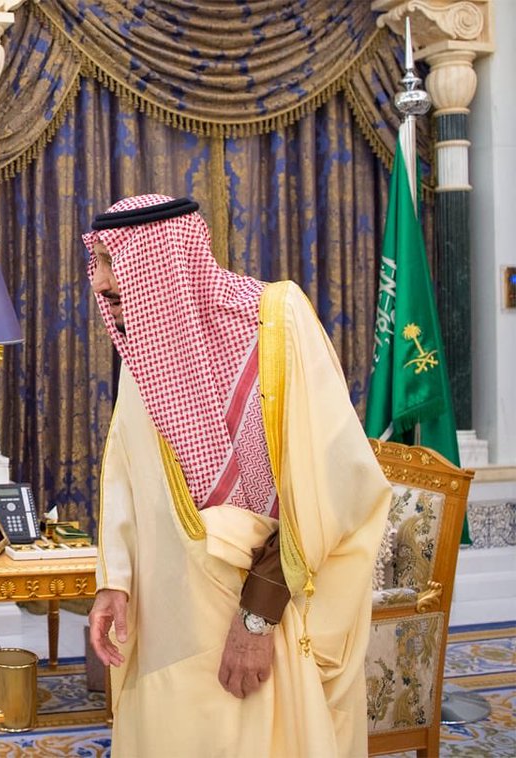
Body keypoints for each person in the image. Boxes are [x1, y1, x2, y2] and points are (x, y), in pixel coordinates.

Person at [84, 194, 391, 756]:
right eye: (98, 262)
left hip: (262, 617)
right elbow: (127, 475)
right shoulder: (144, 354)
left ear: (160, 261)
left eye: (111, 262)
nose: (100, 283)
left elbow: (334, 483)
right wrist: (115, 581)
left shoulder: (276, 323)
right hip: (168, 624)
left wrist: (257, 618)